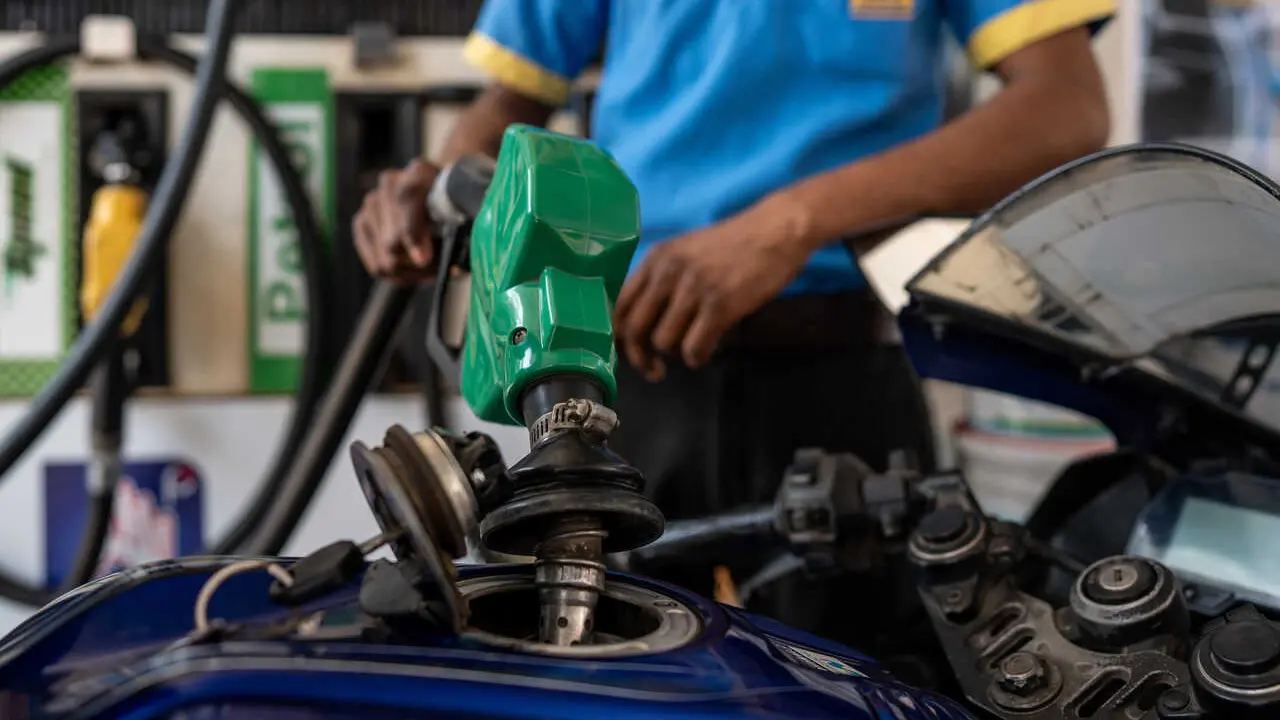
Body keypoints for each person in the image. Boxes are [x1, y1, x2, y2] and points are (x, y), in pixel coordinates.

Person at [353, 0, 1114, 654]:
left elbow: (1065, 107)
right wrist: (442, 198)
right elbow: (507, 104)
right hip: (616, 387)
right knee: (585, 670)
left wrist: (788, 224)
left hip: (841, 384)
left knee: (862, 680)